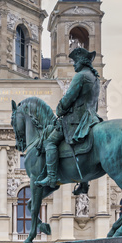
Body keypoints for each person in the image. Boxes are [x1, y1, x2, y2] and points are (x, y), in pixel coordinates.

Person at [35, 47, 102, 193]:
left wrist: (60, 109)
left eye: (75, 61)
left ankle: (51, 177)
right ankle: (84, 183)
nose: (73, 65)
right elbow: (95, 103)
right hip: (92, 117)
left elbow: (69, 97)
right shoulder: (95, 78)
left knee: (50, 141)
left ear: (81, 62)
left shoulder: (81, 76)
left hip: (76, 119)